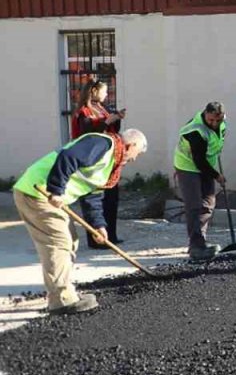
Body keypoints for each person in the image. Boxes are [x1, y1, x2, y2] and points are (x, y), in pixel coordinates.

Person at [12, 128, 148, 314]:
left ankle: (63, 291)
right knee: (59, 243)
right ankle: (61, 300)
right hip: (37, 192)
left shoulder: (110, 163)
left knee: (70, 240)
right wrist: (56, 190)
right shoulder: (102, 144)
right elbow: (68, 157)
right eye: (137, 154)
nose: (134, 159)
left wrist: (98, 225)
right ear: (130, 145)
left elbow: (91, 195)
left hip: (45, 195)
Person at [70, 80, 126, 246]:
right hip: (91, 161)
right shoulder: (83, 112)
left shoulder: (102, 108)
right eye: (104, 91)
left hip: (108, 160)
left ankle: (111, 236)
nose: (107, 95)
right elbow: (87, 133)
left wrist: (117, 118)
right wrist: (107, 122)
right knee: (95, 200)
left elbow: (111, 130)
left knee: (111, 198)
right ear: (94, 91)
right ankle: (96, 240)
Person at [174, 102, 228, 263]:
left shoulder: (222, 123)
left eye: (216, 121)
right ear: (205, 113)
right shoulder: (196, 130)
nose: (213, 124)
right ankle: (195, 246)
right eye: (210, 120)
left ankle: (201, 241)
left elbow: (215, 143)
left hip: (206, 164)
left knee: (208, 203)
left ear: (222, 117)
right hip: (187, 166)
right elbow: (199, 161)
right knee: (194, 205)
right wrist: (217, 175)